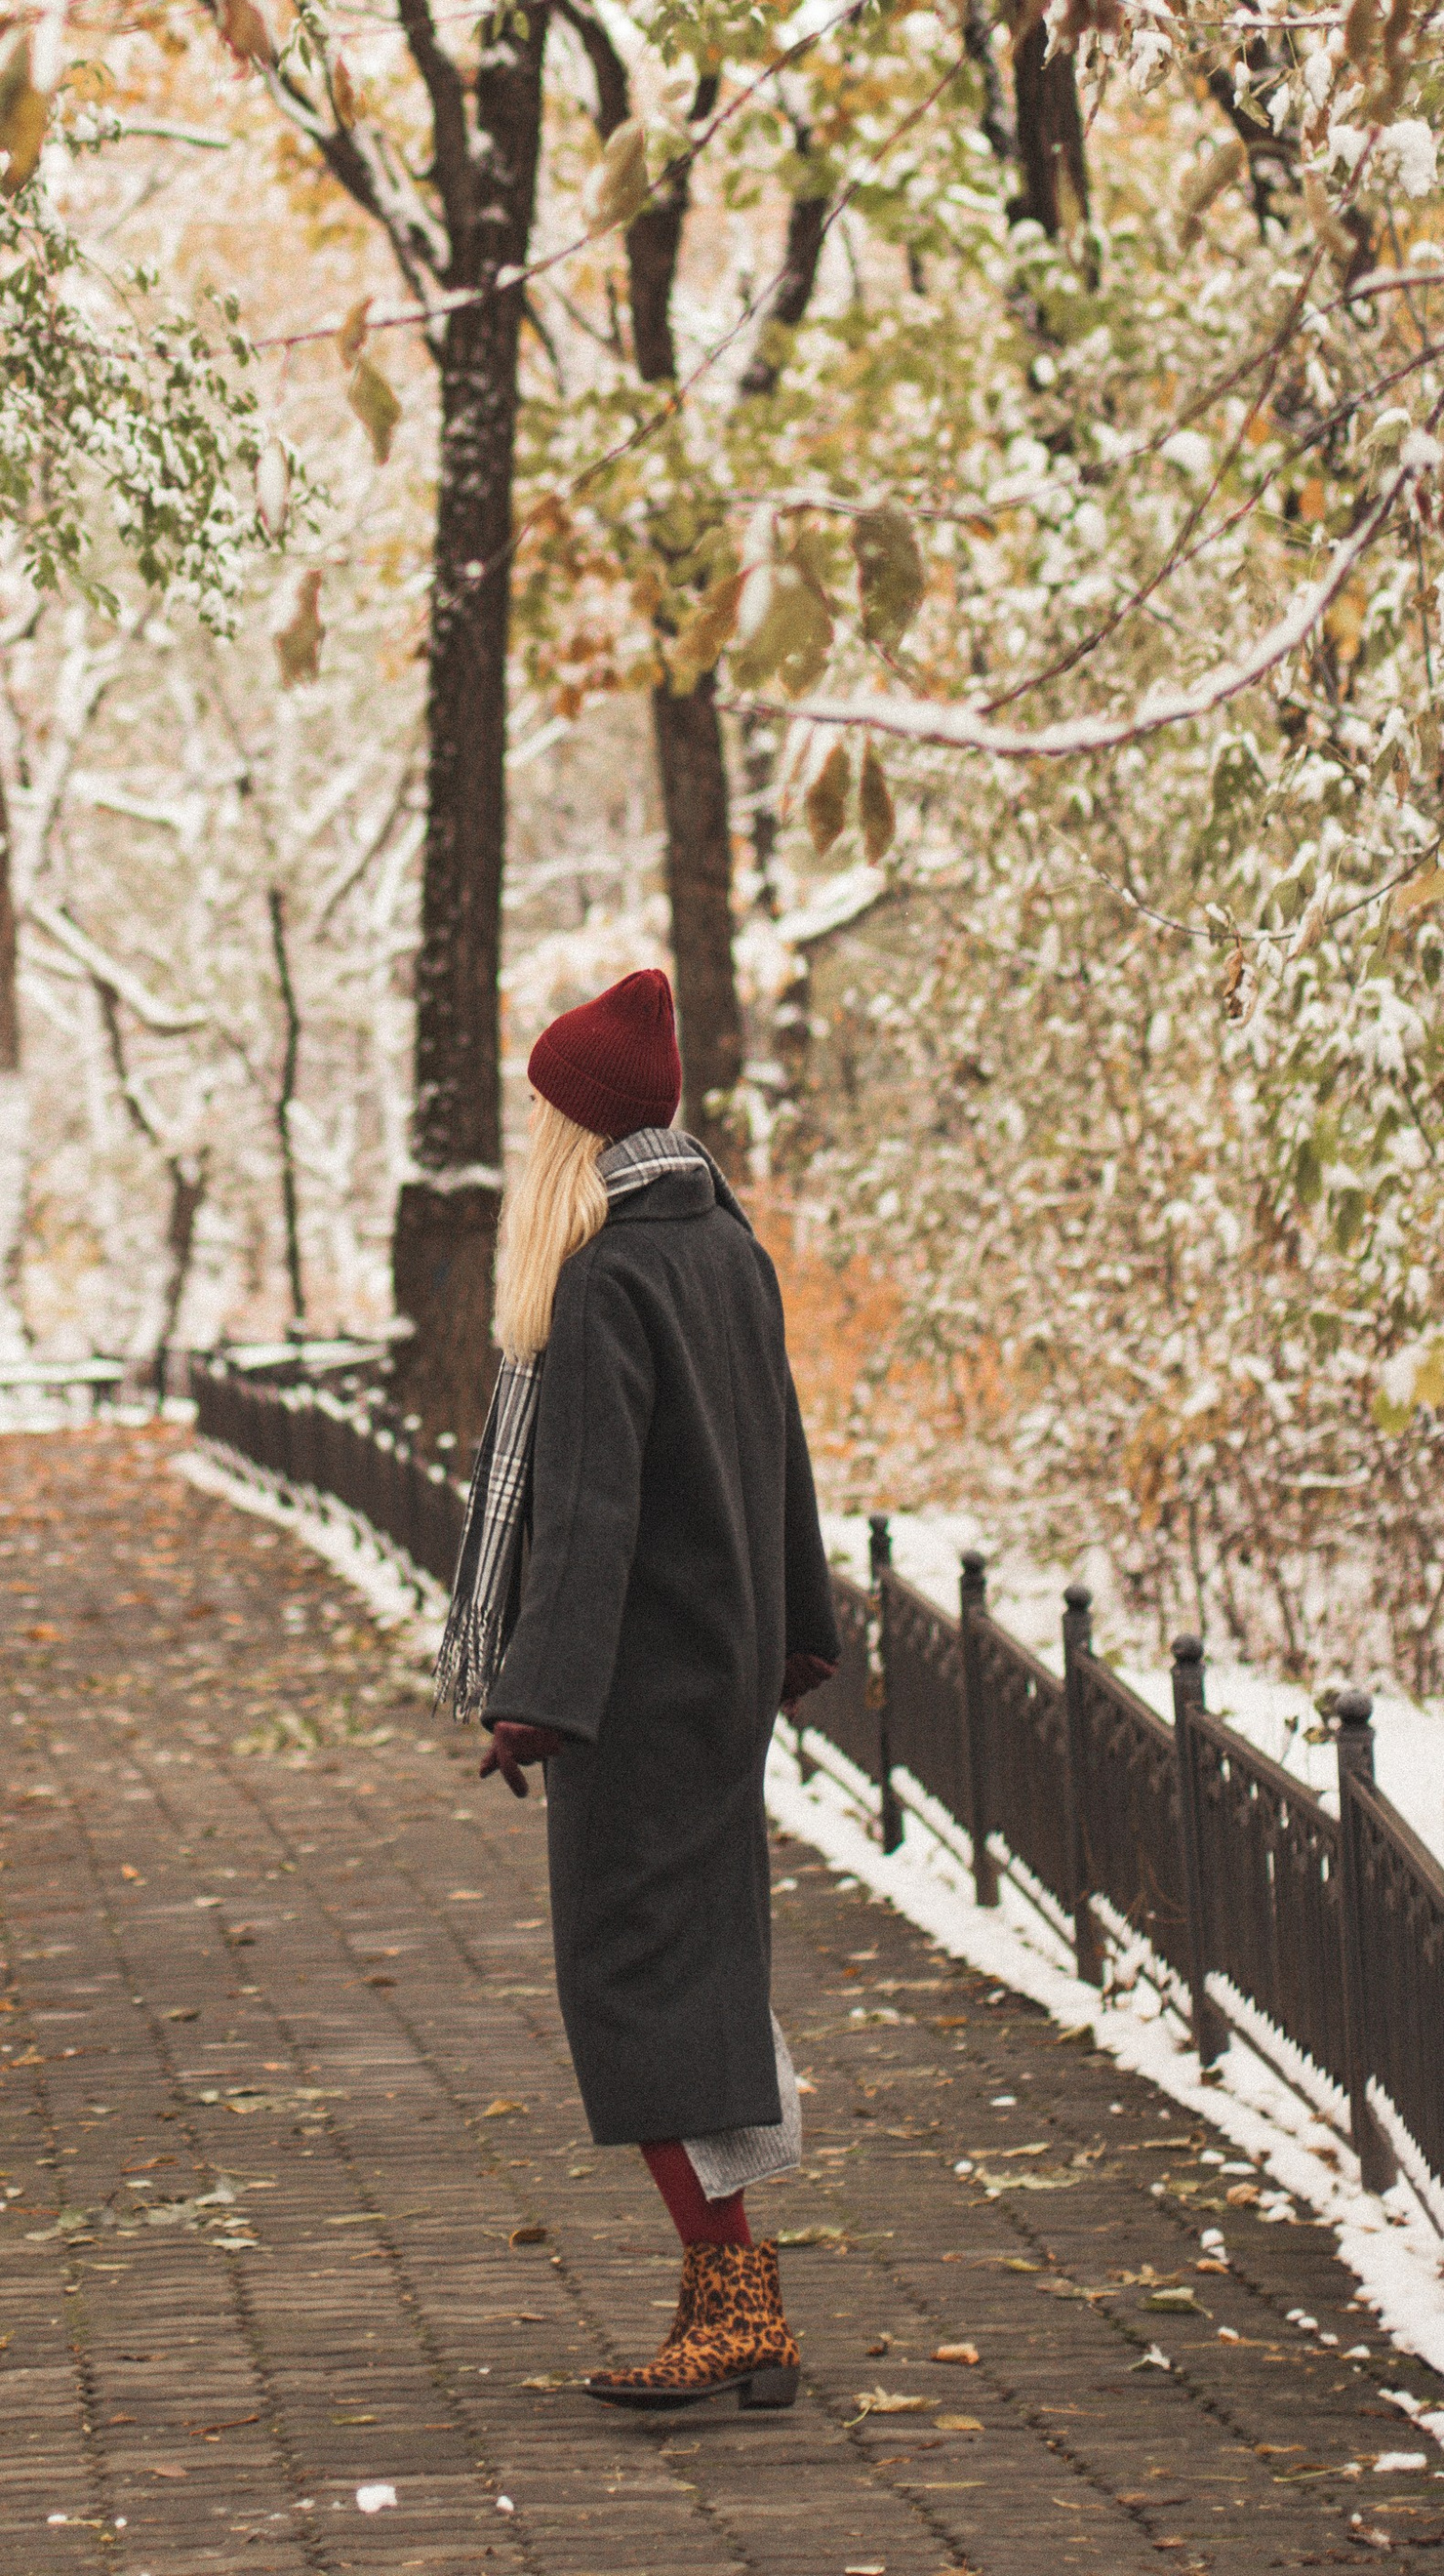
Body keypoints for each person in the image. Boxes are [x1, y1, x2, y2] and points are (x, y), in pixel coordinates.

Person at [432, 966, 839, 2413]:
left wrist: (539, 1698)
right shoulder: (727, 1247)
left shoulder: (605, 1276)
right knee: (702, 1985)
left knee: (638, 1994)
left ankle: (738, 2308)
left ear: (572, 1129)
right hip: (715, 1679)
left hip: (639, 1691)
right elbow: (781, 1453)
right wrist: (798, 1631)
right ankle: (725, 2306)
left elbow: (592, 1509)